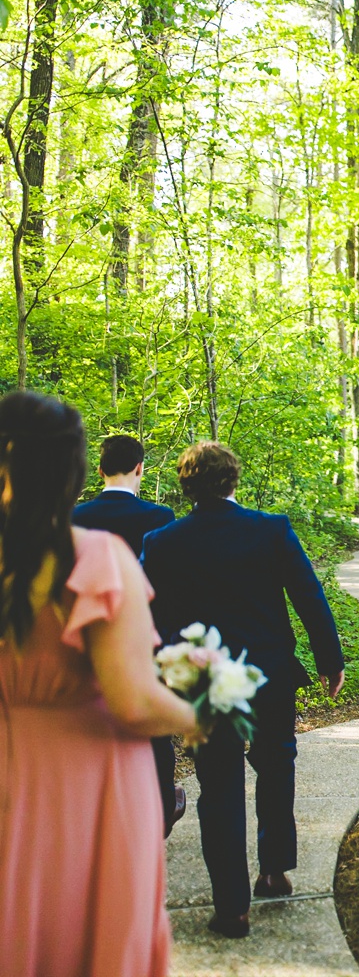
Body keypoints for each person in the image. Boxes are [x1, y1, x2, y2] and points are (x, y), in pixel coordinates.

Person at [0, 391, 199, 977]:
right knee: (88, 933)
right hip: (89, 784)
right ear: (70, 469)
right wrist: (205, 717)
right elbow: (133, 701)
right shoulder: (95, 558)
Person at [141, 442, 345, 940]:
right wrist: (329, 660)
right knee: (277, 763)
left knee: (219, 787)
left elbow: (153, 619)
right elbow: (307, 595)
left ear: (187, 486)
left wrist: (161, 674)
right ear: (234, 481)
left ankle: (232, 907)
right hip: (269, 674)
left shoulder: (162, 541)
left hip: (201, 679)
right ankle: (274, 869)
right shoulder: (269, 529)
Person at [72, 433, 185, 836]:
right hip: (147, 636)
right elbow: (171, 585)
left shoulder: (75, 518)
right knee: (154, 727)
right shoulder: (159, 517)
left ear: (99, 470)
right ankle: (159, 807)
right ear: (140, 468)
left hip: (86, 638)